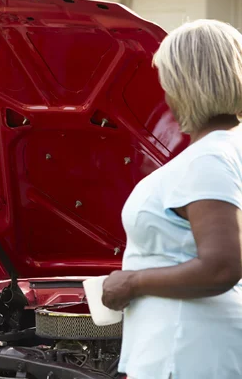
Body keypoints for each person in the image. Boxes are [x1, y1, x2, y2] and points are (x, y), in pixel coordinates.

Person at [102, 19, 242, 378]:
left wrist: (132, 282)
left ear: (187, 84)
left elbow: (222, 266)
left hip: (187, 352)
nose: (165, 94)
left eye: (167, 80)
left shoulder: (209, 159)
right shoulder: (228, 149)